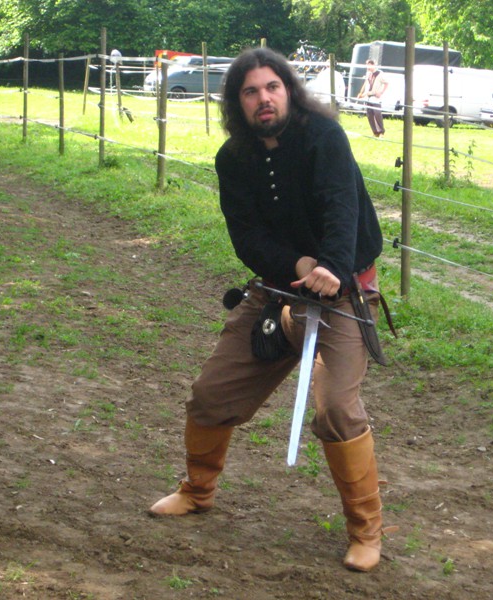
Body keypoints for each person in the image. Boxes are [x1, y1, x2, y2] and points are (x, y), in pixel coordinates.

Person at [148, 47, 393, 572]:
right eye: (251, 91)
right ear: (237, 102)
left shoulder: (324, 137)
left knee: (337, 409)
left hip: (344, 297)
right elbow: (247, 237)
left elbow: (342, 208)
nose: (264, 98)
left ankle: (366, 532)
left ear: (289, 90)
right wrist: (300, 264)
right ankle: (197, 491)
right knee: (211, 395)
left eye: (272, 87)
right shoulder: (232, 158)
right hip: (276, 295)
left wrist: (331, 266)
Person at [357, 59, 388, 137]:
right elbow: (366, 84)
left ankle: (381, 132)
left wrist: (381, 92)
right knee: (369, 115)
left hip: (376, 98)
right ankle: (375, 132)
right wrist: (361, 94)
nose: (367, 67)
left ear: (373, 65)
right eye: (367, 65)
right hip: (368, 97)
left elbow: (386, 83)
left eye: (369, 65)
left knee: (377, 114)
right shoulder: (368, 74)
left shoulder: (380, 74)